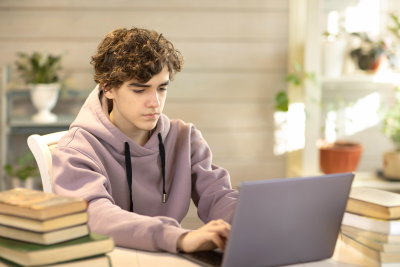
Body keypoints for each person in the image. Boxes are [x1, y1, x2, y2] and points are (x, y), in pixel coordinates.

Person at [52, 27, 238, 254]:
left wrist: (247, 221)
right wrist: (178, 238)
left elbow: (218, 196)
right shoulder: (76, 151)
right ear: (108, 87)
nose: (155, 103)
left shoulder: (184, 139)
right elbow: (96, 215)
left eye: (161, 88)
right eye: (140, 90)